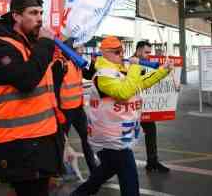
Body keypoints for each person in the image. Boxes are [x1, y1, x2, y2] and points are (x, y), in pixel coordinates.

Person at [0, 0, 62, 196]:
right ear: (16, 16)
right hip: (21, 142)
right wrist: (45, 44)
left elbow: (45, 87)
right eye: (33, 13)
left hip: (43, 136)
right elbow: (26, 81)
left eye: (41, 13)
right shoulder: (0, 47)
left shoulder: (29, 44)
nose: (39, 18)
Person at [71, 36, 172, 196]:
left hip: (117, 135)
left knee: (105, 171)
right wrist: (135, 66)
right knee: (130, 180)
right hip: (111, 138)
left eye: (122, 51)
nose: (121, 54)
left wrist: (163, 71)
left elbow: (139, 84)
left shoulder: (118, 70)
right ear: (105, 53)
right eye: (117, 52)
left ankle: (79, 193)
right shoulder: (103, 75)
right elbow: (124, 93)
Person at [52, 40, 97, 173]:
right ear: (71, 48)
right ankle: (58, 170)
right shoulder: (60, 64)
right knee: (60, 141)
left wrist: (93, 62)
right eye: (80, 47)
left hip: (77, 108)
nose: (83, 49)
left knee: (86, 138)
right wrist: (57, 111)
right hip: (65, 110)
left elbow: (89, 75)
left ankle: (94, 169)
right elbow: (54, 90)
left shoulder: (77, 62)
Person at [133, 41, 170, 173]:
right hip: (130, 110)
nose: (149, 55)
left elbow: (157, 81)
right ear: (138, 51)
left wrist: (174, 87)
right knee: (127, 138)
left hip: (145, 107)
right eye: (146, 52)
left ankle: (152, 162)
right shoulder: (129, 64)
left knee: (151, 132)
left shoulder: (148, 64)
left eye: (150, 52)